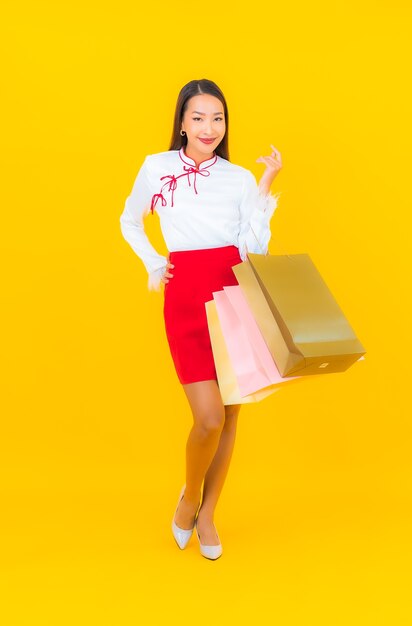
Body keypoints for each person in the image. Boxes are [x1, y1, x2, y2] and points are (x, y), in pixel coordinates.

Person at [120, 78, 282, 560]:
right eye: (198, 118)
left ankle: (208, 513)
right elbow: (129, 219)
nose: (209, 127)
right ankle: (189, 496)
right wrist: (154, 262)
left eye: (218, 118)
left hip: (234, 291)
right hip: (186, 295)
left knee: (230, 415)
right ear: (182, 122)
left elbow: (255, 248)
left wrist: (266, 188)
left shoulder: (237, 178)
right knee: (207, 418)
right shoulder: (156, 168)